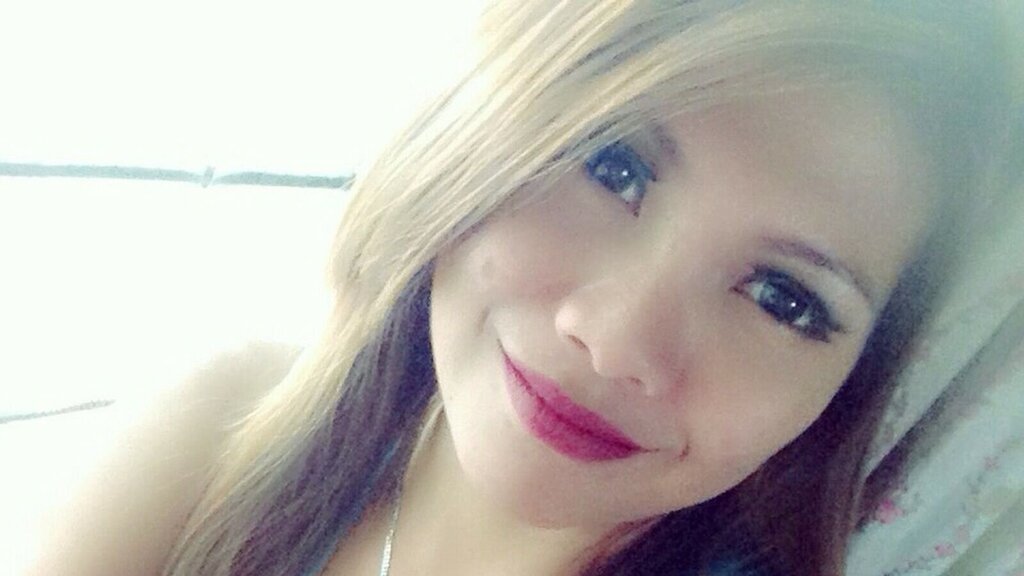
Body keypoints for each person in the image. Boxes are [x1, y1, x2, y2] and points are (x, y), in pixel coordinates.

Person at [32, 1, 1015, 575]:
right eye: (613, 166)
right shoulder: (225, 420)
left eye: (783, 298)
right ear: (489, 124)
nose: (616, 340)